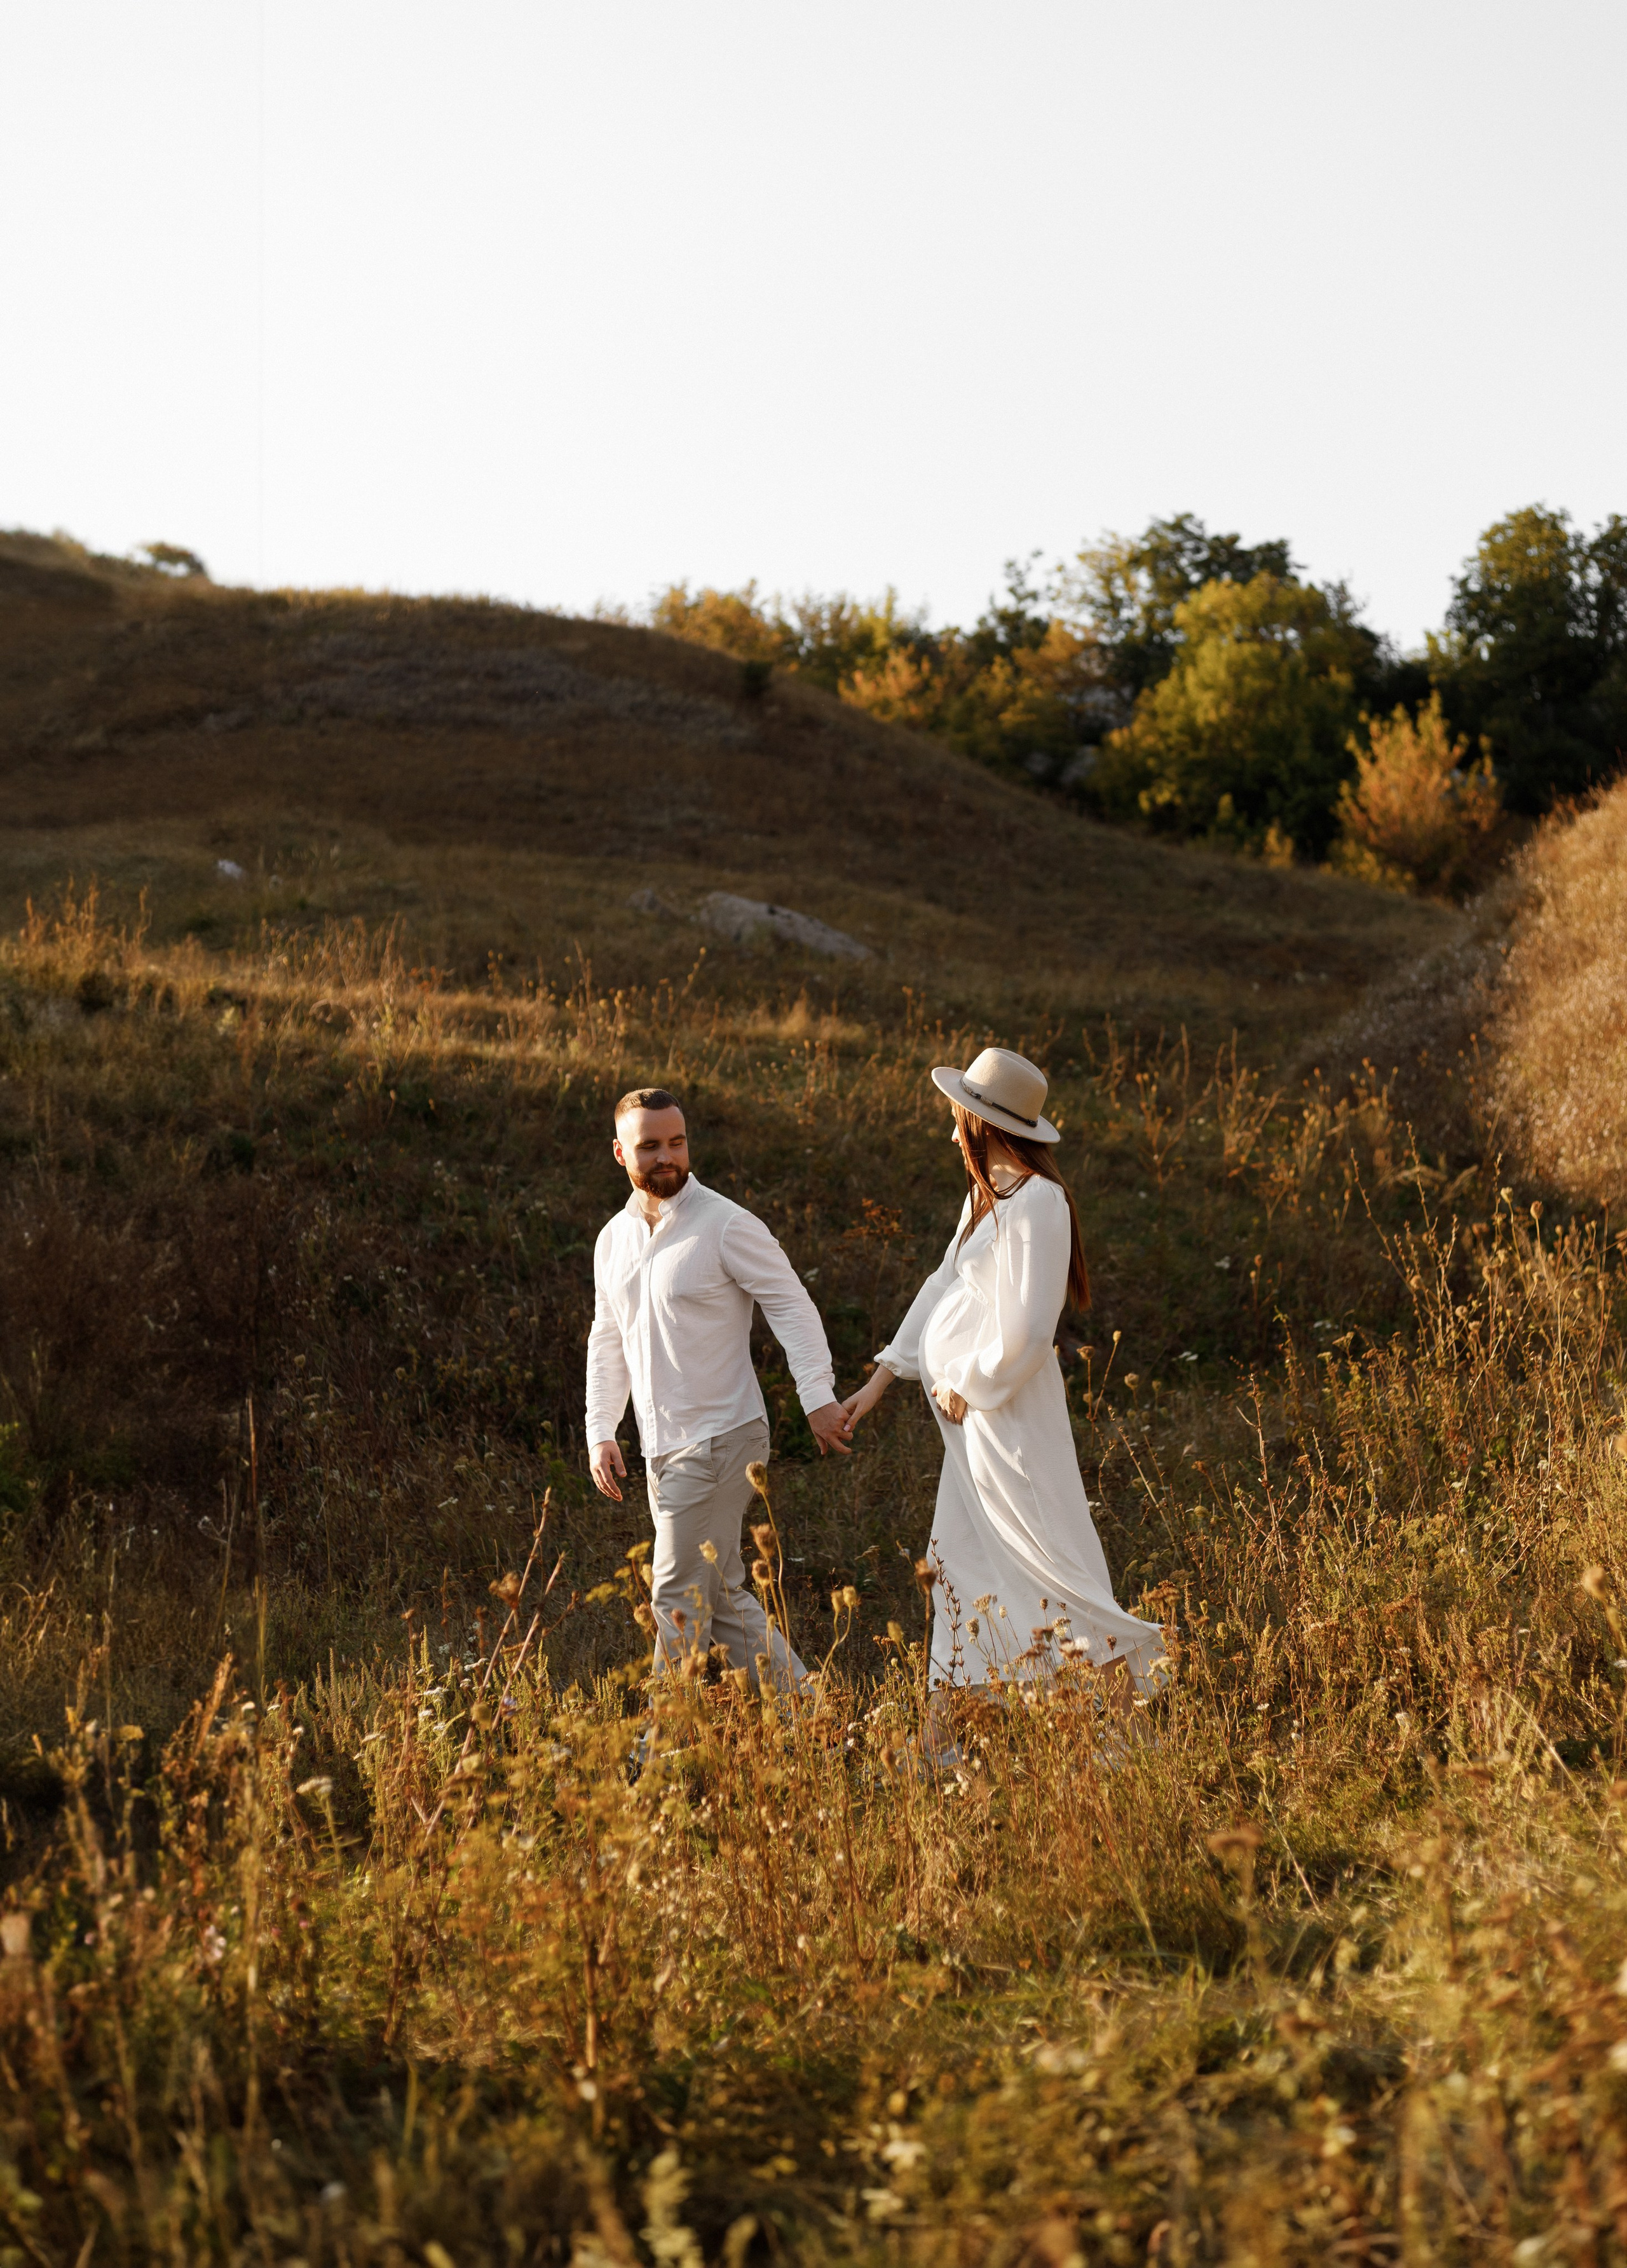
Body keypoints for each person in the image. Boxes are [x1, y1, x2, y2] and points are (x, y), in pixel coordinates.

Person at [841, 1047, 1162, 1708]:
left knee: (1048, 1559)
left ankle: (1123, 1724)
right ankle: (941, 1742)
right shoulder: (987, 1197)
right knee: (957, 1560)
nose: (949, 1129)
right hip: (972, 1428)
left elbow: (1030, 1327)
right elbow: (941, 1283)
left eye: (956, 1117)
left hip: (1005, 1416)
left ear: (982, 1123)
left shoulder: (1041, 1202)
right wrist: (880, 1380)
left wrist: (970, 1382)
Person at [586, 1085, 851, 1693]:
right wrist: (601, 1427)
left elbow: (792, 1306)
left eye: (676, 1142)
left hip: (721, 1439)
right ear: (621, 1155)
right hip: (662, 1448)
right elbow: (609, 1336)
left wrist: (817, 1396)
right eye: (649, 1146)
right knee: (724, 1594)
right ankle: (809, 1714)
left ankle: (659, 1757)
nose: (667, 1157)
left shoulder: (726, 1224)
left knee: (675, 1597)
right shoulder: (613, 1240)